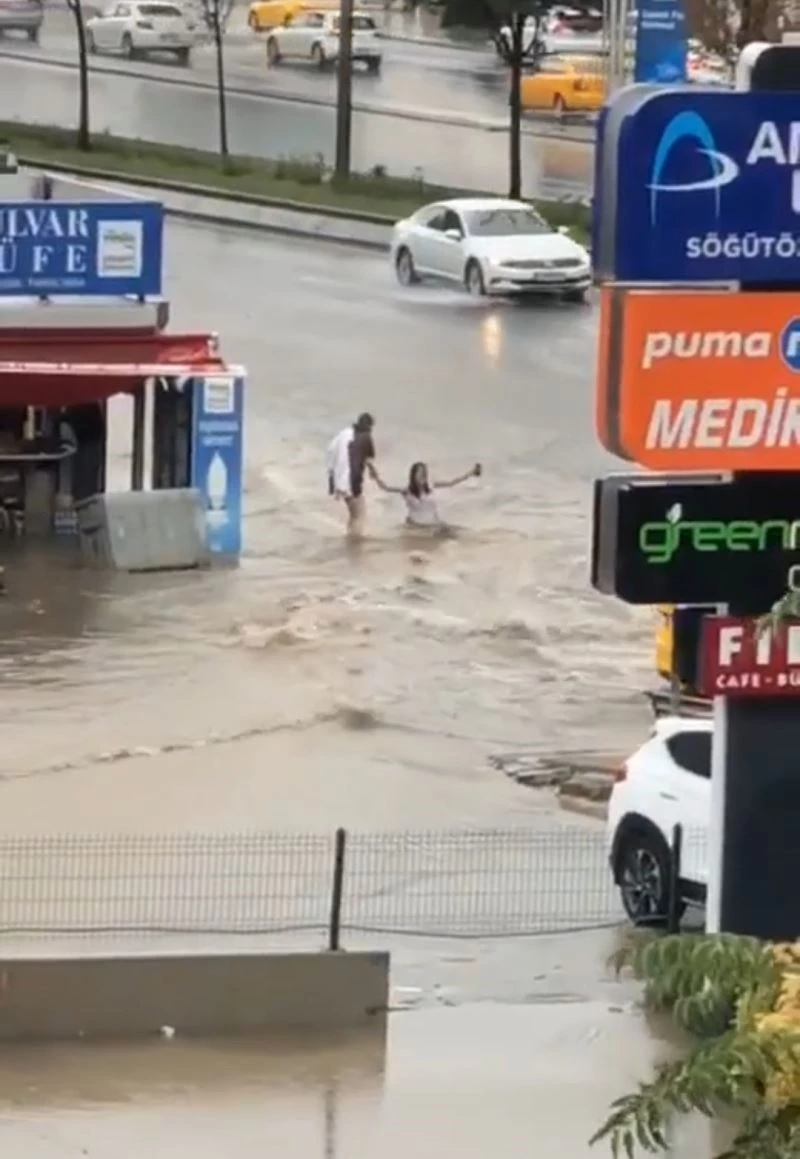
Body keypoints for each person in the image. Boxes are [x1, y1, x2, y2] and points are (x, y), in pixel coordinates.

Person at [369, 460, 481, 529]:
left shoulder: (431, 486)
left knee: (460, 534)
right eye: (419, 472)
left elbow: (452, 483)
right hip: (416, 527)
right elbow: (385, 488)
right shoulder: (407, 491)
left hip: (434, 524)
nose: (422, 475)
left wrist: (471, 473)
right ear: (413, 475)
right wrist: (375, 475)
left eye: (424, 472)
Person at [326, 413, 376, 535]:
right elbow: (369, 459)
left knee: (353, 514)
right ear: (369, 426)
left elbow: (331, 451)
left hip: (339, 481)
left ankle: (350, 538)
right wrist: (374, 473)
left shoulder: (343, 433)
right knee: (360, 513)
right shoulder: (366, 437)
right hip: (352, 481)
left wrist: (332, 481)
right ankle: (354, 542)